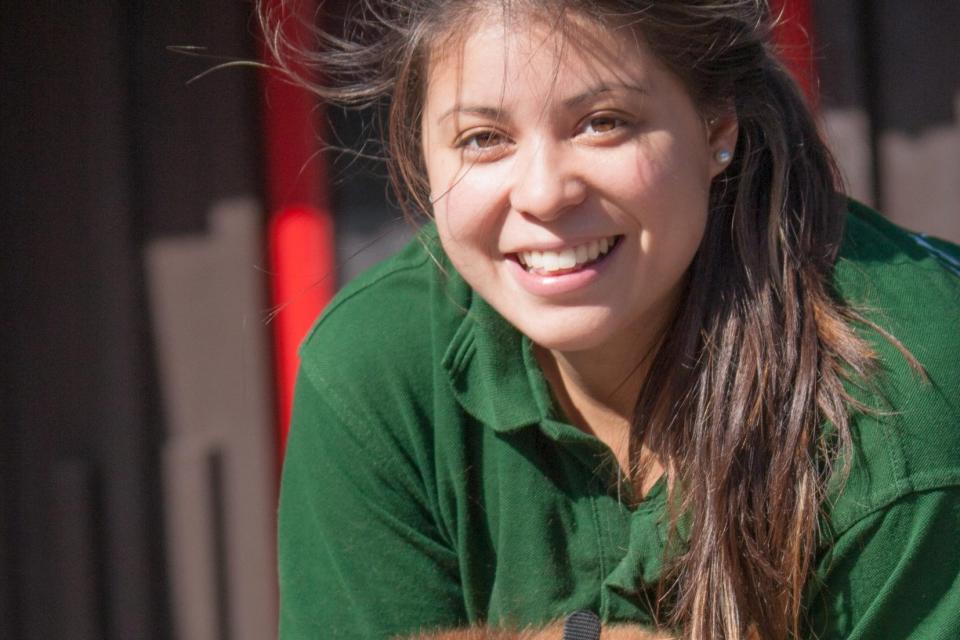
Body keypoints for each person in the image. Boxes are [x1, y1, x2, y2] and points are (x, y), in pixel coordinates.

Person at [267, 1, 960, 638]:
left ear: (716, 129)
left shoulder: (905, 402)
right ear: (421, 154)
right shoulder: (373, 373)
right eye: (483, 138)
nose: (543, 193)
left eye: (603, 123)